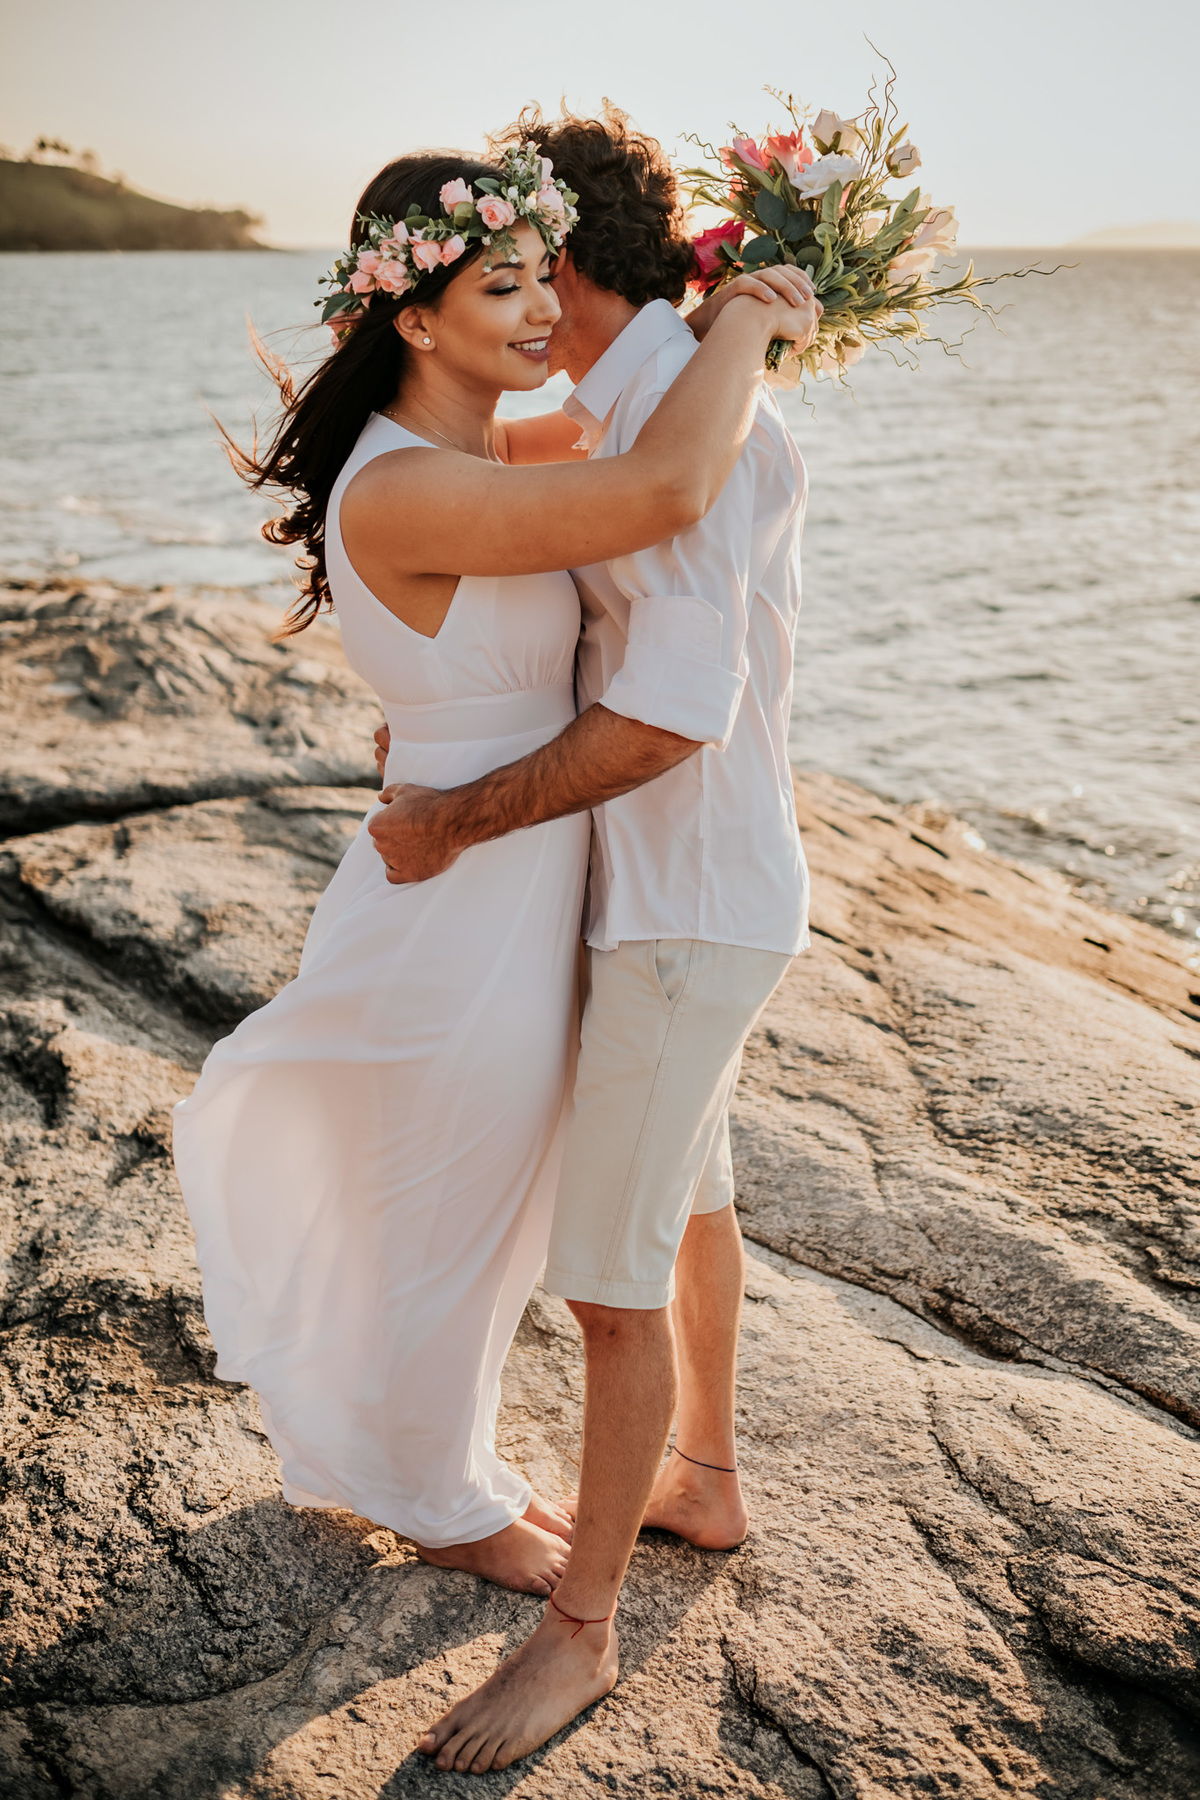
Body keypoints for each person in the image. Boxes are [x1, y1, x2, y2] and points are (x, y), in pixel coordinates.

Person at [171, 144, 817, 1604]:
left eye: (544, 277)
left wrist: (711, 348)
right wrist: (742, 324)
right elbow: (659, 485)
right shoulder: (406, 488)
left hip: (526, 877)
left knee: (478, 1203)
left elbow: (634, 455)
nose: (541, 311)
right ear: (413, 318)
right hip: (464, 894)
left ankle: (433, 1458)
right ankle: (432, 1489)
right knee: (450, 1203)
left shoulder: (478, 452)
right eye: (502, 285)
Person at [365, 106, 816, 1774]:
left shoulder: (691, 421)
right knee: (691, 1202)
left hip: (683, 908)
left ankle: (581, 1636)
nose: (514, 304)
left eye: (514, 270)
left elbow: (664, 718)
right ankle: (704, 1479)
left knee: (606, 1286)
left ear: (554, 261)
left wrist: (454, 823)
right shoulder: (643, 402)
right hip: (698, 898)